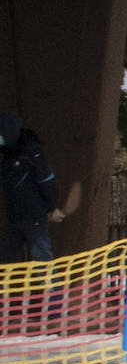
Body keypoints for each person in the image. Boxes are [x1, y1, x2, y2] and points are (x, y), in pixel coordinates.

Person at [1, 111, 64, 264]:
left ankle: (54, 288)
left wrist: (52, 207)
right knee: (4, 257)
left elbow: (46, 180)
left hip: (34, 215)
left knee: (41, 258)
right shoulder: (9, 153)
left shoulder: (32, 151)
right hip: (15, 217)